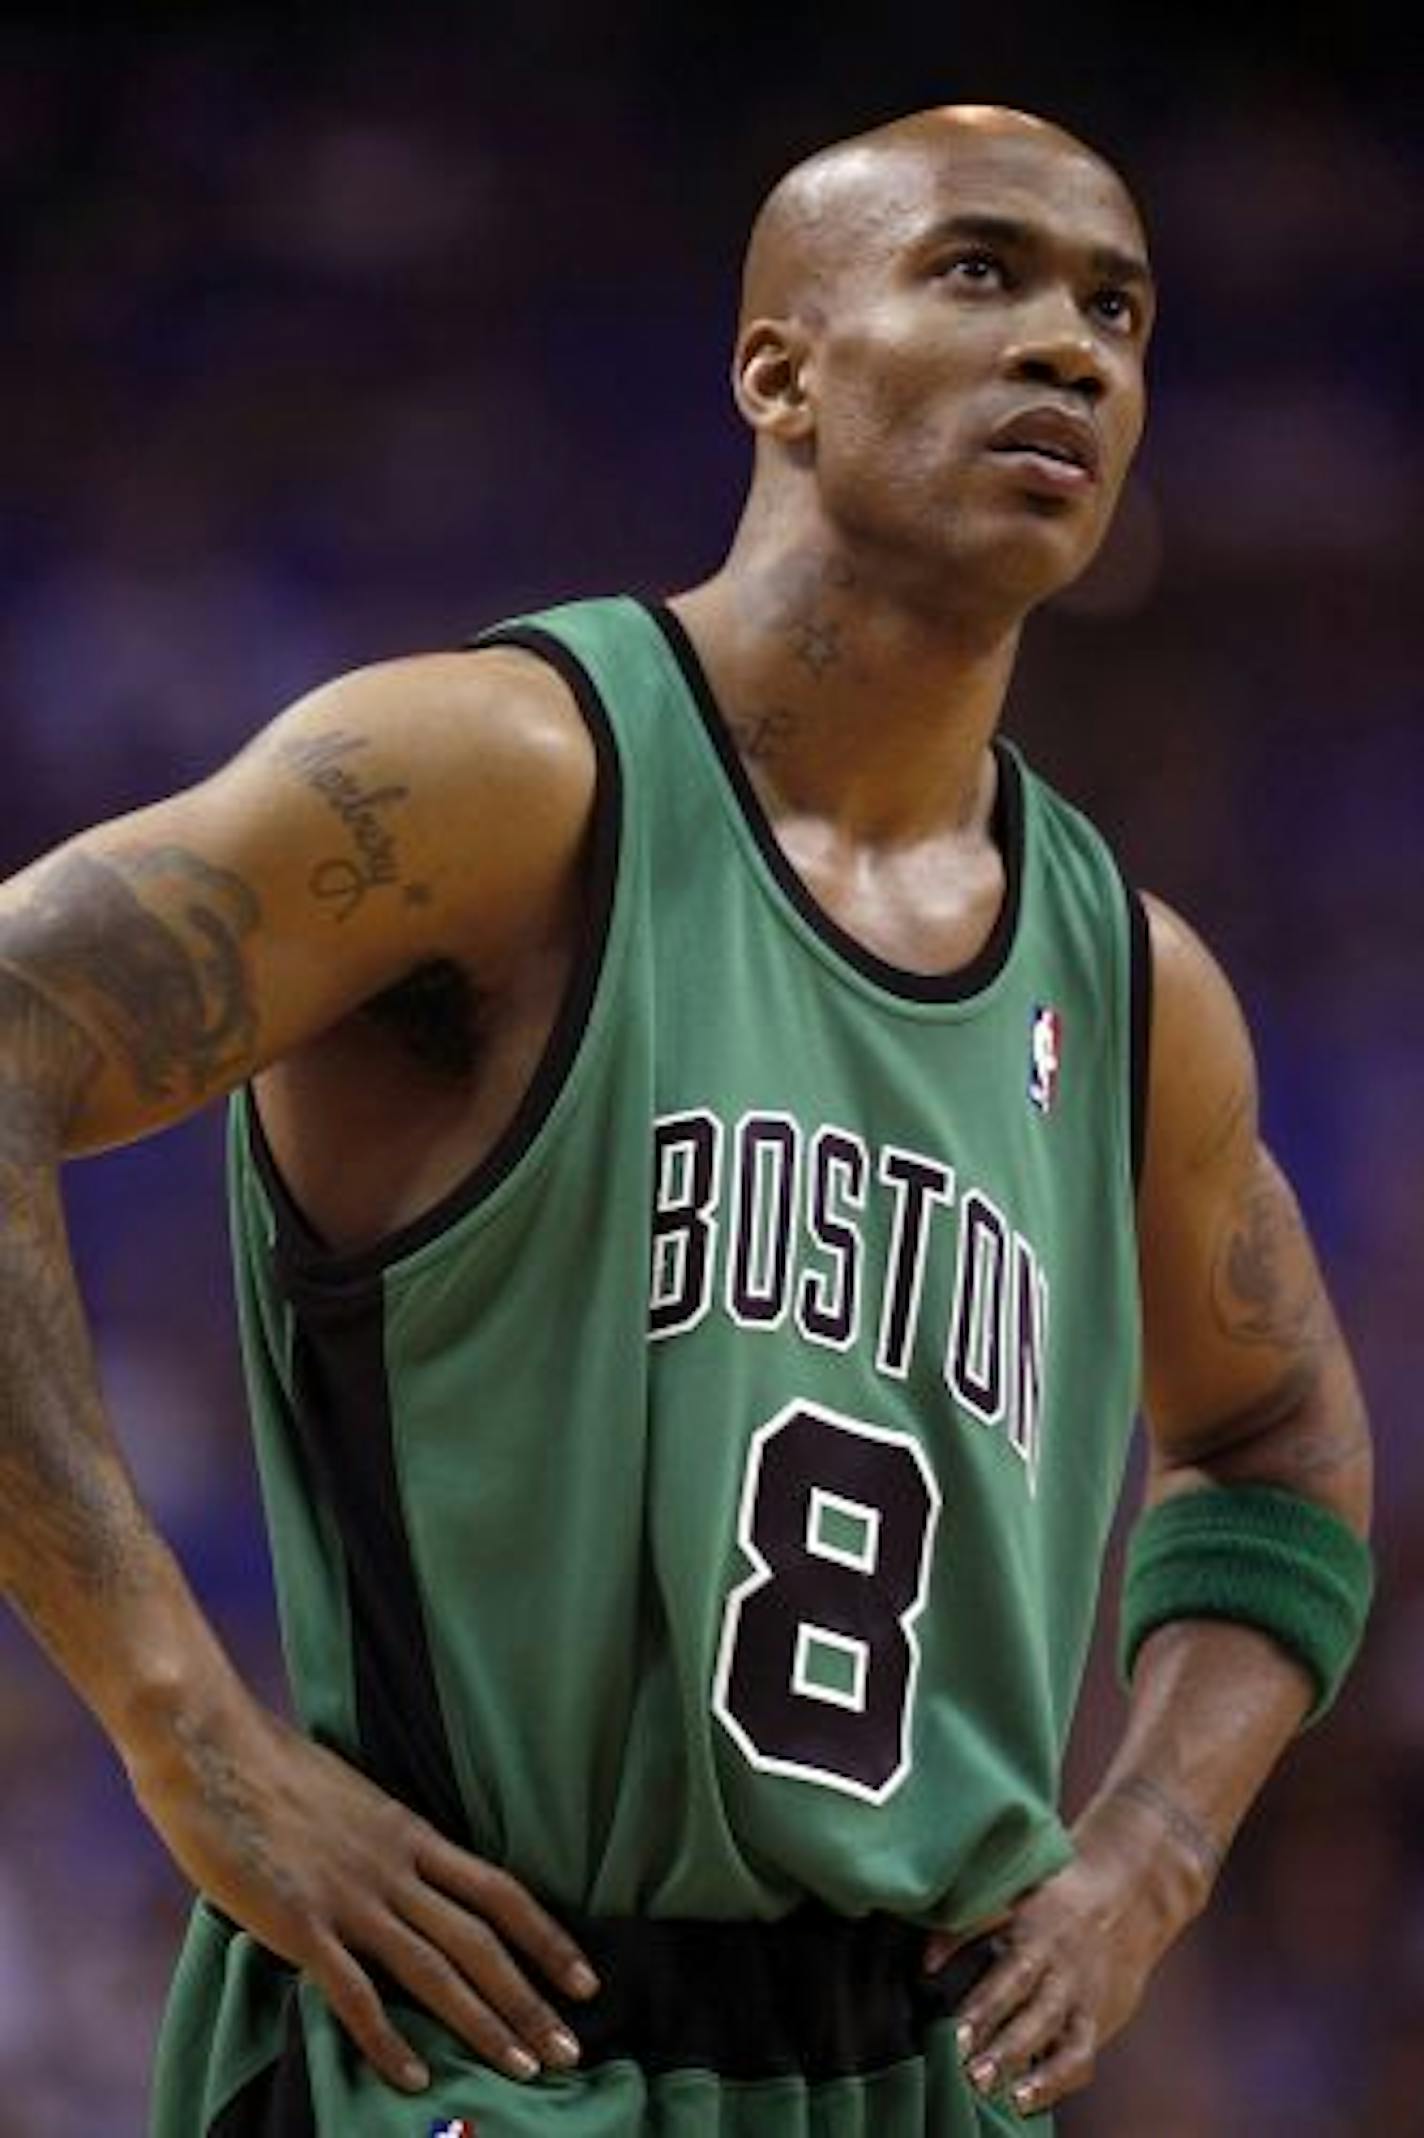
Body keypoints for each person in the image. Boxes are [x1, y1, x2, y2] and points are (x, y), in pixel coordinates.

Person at [0, 103, 1373, 2136]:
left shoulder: (1134, 985)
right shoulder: (499, 781)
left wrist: (1152, 1848)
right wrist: (173, 1716)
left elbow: (1275, 1450)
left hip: (906, 2075)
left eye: (1117, 307)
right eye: (979, 271)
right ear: (777, 371)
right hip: (470, 2035)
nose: (1072, 347)